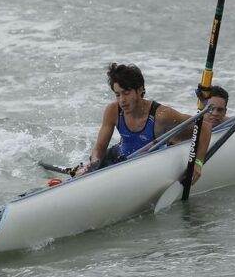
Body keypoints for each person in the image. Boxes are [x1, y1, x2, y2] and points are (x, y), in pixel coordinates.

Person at [74, 63, 212, 185]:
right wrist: (94, 163)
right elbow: (99, 147)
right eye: (117, 94)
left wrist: (198, 163)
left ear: (140, 89)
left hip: (146, 166)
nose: (122, 100)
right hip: (117, 158)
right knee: (79, 175)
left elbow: (204, 127)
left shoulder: (161, 115)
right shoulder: (113, 111)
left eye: (126, 93)